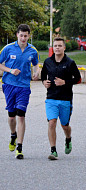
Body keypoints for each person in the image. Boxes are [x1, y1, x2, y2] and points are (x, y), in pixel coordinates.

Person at [0, 24, 40, 159]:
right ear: (17, 35)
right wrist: (10, 70)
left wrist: (36, 73)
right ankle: (13, 135)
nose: (23, 38)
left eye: (26, 35)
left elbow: (35, 64)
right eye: (21, 35)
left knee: (21, 115)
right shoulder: (8, 48)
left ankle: (20, 147)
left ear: (29, 36)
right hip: (9, 85)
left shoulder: (32, 50)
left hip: (24, 86)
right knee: (11, 116)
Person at [41, 37, 81, 160]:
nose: (57, 48)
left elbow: (78, 79)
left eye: (59, 46)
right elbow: (43, 76)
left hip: (65, 99)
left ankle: (68, 138)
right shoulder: (48, 62)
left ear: (64, 47)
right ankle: (53, 150)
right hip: (51, 98)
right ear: (53, 47)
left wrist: (65, 82)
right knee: (52, 123)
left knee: (65, 125)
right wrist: (44, 82)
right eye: (55, 46)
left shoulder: (70, 62)